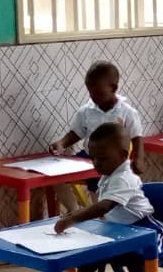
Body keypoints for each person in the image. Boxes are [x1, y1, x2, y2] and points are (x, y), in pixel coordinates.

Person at [57, 123, 163, 272]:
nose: (96, 163)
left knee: (135, 258)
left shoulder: (125, 176)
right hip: (117, 229)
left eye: (102, 158)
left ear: (123, 155)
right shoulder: (109, 172)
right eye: (93, 158)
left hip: (144, 229)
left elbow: (105, 206)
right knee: (90, 249)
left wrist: (73, 218)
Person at [47, 60, 144, 212]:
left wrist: (138, 159)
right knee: (55, 176)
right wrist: (61, 143)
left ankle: (98, 217)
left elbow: (137, 137)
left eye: (98, 93)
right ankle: (74, 210)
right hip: (87, 157)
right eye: (90, 93)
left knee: (99, 194)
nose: (93, 97)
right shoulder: (86, 110)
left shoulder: (126, 112)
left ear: (113, 88)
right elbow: (76, 133)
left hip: (113, 161)